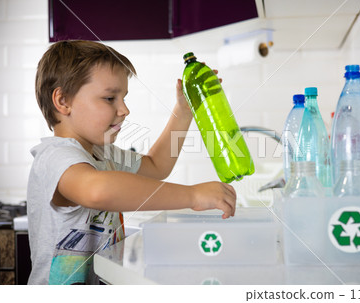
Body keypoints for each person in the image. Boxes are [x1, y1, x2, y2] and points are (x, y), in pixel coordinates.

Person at [27, 40, 236, 285]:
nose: (124, 109)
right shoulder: (54, 156)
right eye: (109, 98)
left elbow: (157, 166)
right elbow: (97, 190)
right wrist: (193, 196)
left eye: (123, 97)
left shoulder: (105, 154)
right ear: (63, 101)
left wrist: (184, 110)